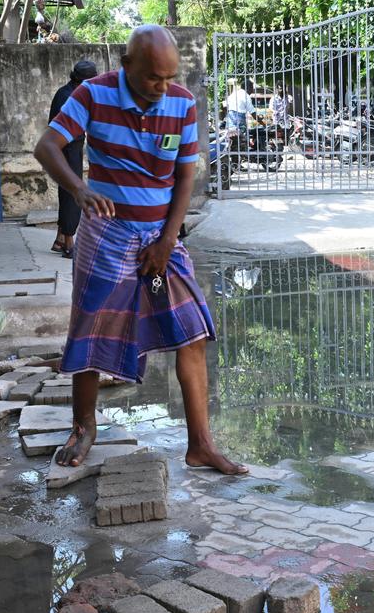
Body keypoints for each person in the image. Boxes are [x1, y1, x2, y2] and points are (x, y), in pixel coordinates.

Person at [33, 25, 248, 475]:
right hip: (108, 240)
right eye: (153, 77)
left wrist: (168, 241)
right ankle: (84, 427)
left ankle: (200, 444)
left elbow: (185, 177)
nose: (162, 87)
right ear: (126, 64)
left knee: (190, 332)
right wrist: (79, 189)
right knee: (92, 330)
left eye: (169, 77)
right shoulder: (93, 95)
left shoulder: (182, 103)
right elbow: (47, 146)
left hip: (158, 248)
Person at [47, 60, 98, 258]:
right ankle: (69, 242)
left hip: (67, 149)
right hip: (67, 150)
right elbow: (67, 129)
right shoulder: (69, 96)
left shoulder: (66, 92)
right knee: (73, 193)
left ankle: (60, 239)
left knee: (67, 192)